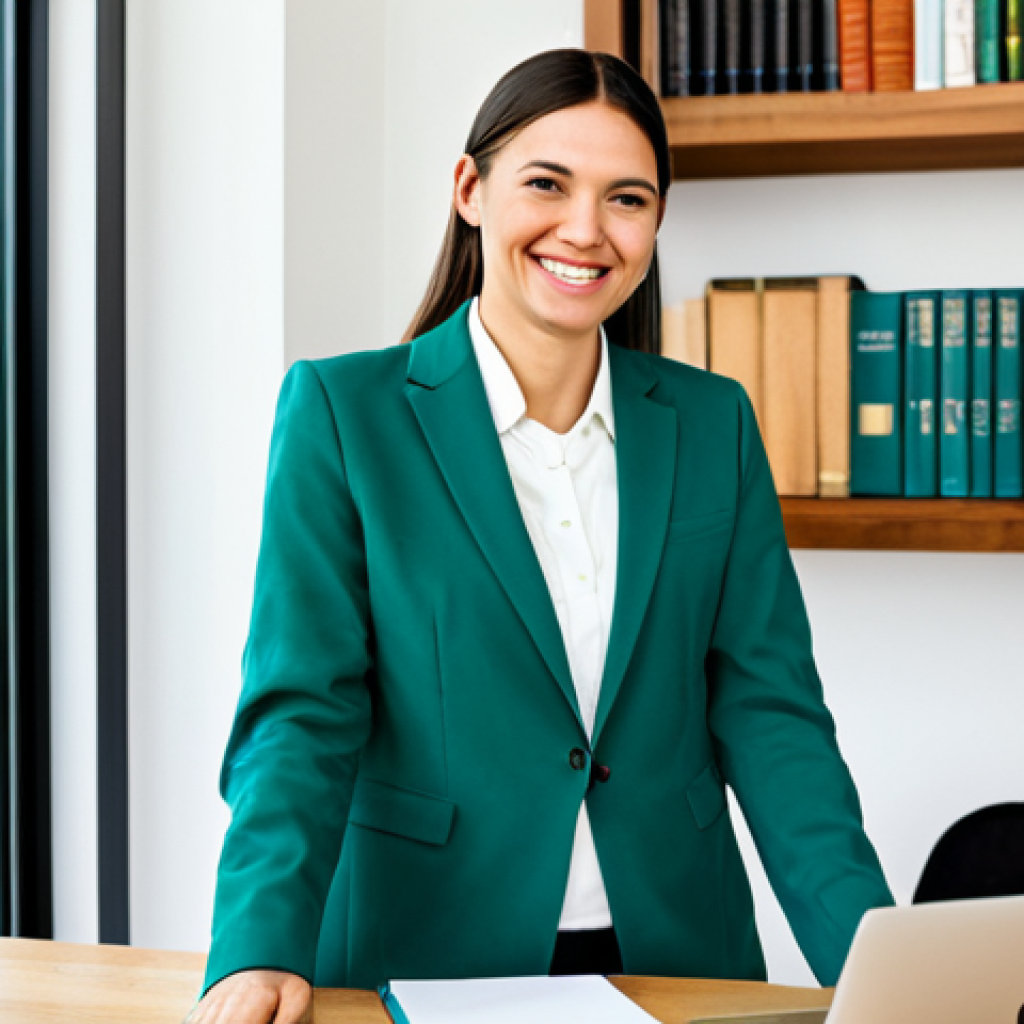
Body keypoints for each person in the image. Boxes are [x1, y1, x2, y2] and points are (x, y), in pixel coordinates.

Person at [188, 48, 893, 1024]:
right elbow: (302, 712)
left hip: (677, 960)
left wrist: (873, 962)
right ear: (470, 189)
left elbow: (771, 716)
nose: (585, 230)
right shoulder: (344, 416)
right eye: (547, 184)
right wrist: (254, 947)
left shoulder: (711, 422)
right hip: (421, 954)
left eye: (627, 198)